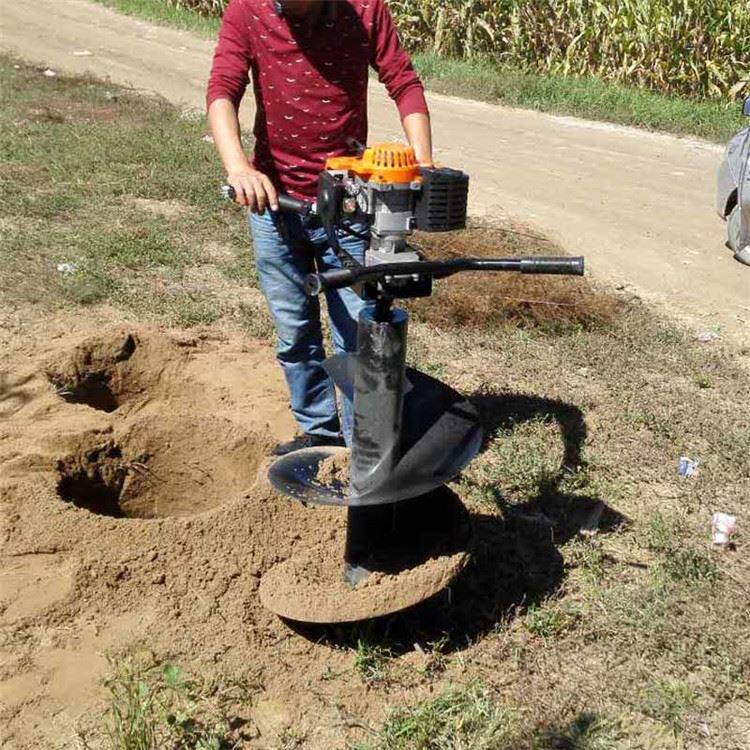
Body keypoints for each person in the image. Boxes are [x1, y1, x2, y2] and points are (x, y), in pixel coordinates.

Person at [206, 0, 433, 455]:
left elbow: (403, 81)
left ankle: (363, 445)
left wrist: (423, 162)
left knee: (358, 332)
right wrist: (239, 168)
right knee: (294, 330)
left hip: (348, 206)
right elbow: (222, 90)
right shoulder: (247, 9)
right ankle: (320, 433)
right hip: (276, 204)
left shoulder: (365, 9)